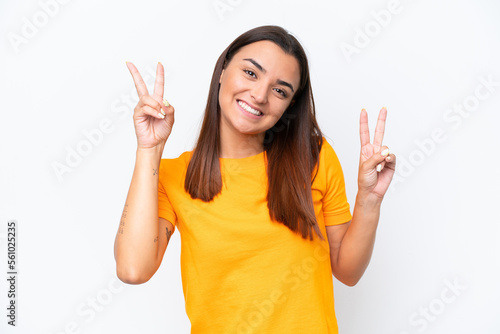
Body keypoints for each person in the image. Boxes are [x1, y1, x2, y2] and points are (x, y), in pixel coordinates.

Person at [114, 25, 396, 333]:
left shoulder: (313, 157)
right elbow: (132, 270)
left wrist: (369, 199)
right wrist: (149, 149)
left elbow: (348, 271)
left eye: (280, 90)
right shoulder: (174, 176)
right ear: (223, 70)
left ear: (290, 105)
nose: (260, 95)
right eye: (251, 73)